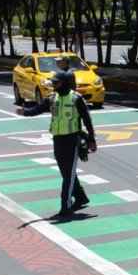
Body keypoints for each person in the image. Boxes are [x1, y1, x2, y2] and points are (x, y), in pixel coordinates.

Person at [15, 67, 96, 218]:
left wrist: (91, 139)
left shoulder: (76, 98)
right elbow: (38, 109)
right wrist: (25, 112)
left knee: (68, 175)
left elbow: (87, 120)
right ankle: (80, 197)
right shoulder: (52, 98)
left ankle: (65, 206)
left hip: (72, 140)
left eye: (56, 82)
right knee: (66, 173)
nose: (53, 85)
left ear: (64, 83)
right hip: (58, 140)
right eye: (53, 82)